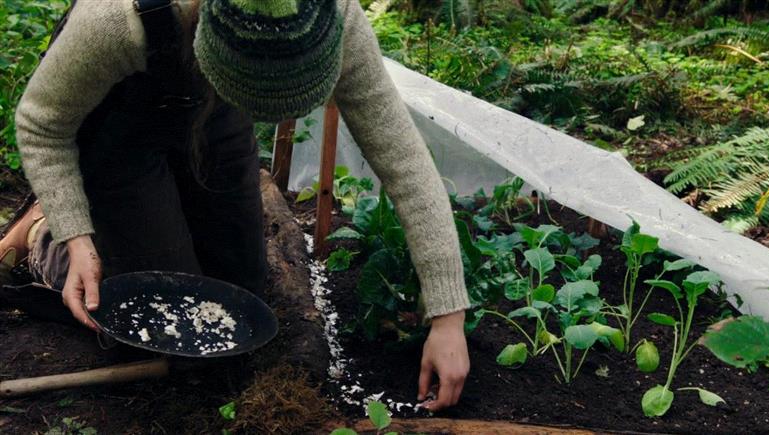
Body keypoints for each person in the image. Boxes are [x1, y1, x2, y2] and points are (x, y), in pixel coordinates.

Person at [3, 0, 471, 410]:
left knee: (240, 301)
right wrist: (74, 232)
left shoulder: (331, 16)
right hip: (117, 120)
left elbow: (405, 160)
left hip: (215, 106)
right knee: (160, 324)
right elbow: (41, 125)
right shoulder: (116, 19)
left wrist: (448, 316)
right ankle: (42, 233)